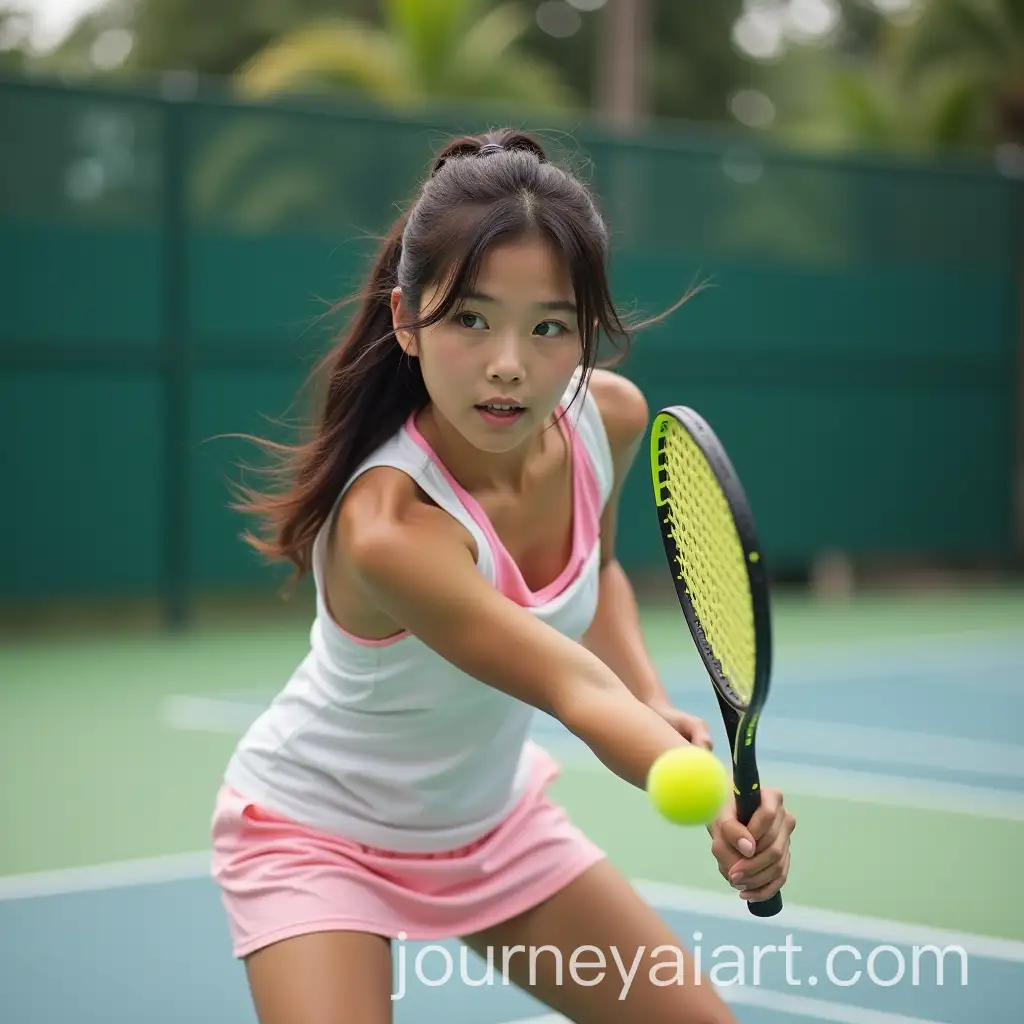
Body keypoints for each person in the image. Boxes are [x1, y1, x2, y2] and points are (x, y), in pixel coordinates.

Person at [210, 129, 795, 1024]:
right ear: (405, 320)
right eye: (471, 319)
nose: (509, 364)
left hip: (493, 830)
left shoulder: (608, 418)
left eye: (548, 326)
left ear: (586, 332)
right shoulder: (389, 529)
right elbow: (568, 684)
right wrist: (696, 781)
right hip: (319, 835)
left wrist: (651, 700)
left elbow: (596, 579)